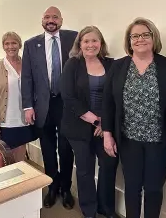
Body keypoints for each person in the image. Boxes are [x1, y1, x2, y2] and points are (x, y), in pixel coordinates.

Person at [102, 17, 166, 218]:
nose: (140, 39)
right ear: (129, 41)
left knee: (154, 189)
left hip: (158, 141)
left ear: (154, 38)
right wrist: (107, 135)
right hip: (128, 140)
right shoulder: (118, 66)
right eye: (135, 36)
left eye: (145, 34)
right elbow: (108, 104)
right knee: (132, 188)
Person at [21, 6, 77, 209]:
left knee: (66, 148)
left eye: (55, 17)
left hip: (67, 104)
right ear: (42, 20)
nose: (51, 20)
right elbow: (26, 78)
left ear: (61, 20)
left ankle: (66, 188)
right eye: (47, 17)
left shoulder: (75, 38)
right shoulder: (30, 44)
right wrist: (27, 106)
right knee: (47, 148)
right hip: (42, 105)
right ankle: (52, 187)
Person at [61, 26, 120, 218]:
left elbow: (116, 96)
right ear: (80, 44)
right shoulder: (72, 64)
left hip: (105, 127)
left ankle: (106, 208)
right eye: (86, 41)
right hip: (78, 127)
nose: (90, 45)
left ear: (101, 43)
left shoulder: (111, 64)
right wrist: (96, 121)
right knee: (85, 170)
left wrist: (105, 124)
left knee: (108, 166)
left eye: (95, 40)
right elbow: (69, 98)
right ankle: (90, 211)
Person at [0, 32, 37, 162]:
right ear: (3, 46)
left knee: (20, 151)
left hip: (24, 116)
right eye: (7, 43)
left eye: (14, 43)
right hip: (6, 118)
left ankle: (19, 179)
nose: (11, 46)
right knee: (6, 154)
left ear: (19, 45)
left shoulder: (28, 64)